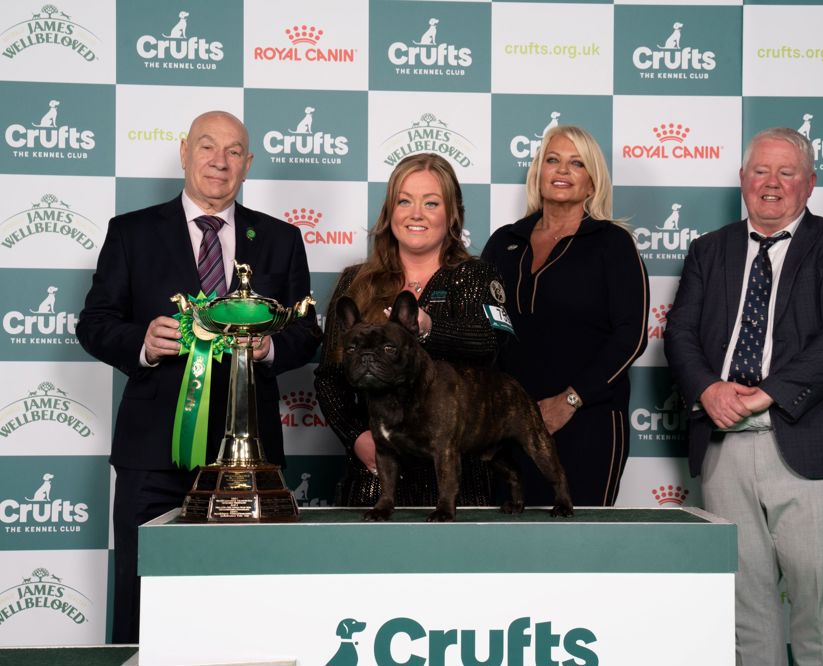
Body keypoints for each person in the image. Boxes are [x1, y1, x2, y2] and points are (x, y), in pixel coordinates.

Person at [76, 110, 321, 644]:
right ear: (185, 151)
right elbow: (94, 324)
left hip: (250, 460)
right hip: (153, 454)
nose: (220, 161)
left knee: (245, 598)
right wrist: (141, 343)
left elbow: (307, 332)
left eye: (234, 151)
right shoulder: (131, 233)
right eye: (208, 147)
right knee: (144, 597)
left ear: (248, 163)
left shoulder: (279, 239)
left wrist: (270, 346)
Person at [663, 127, 823, 666]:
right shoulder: (709, 249)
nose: (772, 184)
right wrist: (709, 390)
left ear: (809, 183)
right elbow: (681, 332)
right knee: (744, 609)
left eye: (786, 173)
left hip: (810, 445)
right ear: (742, 179)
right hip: (722, 446)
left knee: (818, 610)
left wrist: (764, 396)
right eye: (761, 171)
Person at [314, 153, 510, 508]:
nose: (416, 213)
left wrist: (429, 328)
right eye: (404, 201)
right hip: (374, 477)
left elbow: (492, 345)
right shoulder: (354, 282)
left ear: (452, 215)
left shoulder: (479, 276)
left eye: (431, 203)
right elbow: (329, 376)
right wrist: (357, 436)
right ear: (390, 212)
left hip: (458, 479)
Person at [481, 126, 649, 507]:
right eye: (552, 160)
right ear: (538, 173)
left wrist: (570, 400)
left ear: (592, 182)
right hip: (507, 423)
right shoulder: (503, 241)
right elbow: (483, 330)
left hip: (587, 420)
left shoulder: (613, 243)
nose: (562, 170)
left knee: (579, 546)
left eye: (577, 163)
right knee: (506, 547)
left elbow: (632, 336)